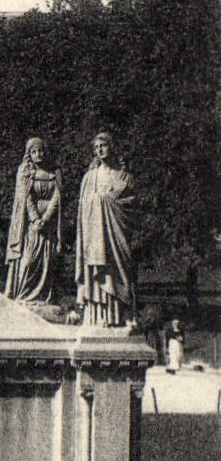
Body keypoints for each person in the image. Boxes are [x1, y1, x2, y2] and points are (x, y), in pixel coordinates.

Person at [75, 131, 137, 327]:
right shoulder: (89, 178)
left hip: (116, 236)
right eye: (96, 147)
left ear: (112, 147)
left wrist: (106, 200)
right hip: (96, 237)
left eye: (103, 145)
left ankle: (121, 316)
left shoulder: (124, 177)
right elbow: (82, 209)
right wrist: (99, 200)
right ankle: (98, 316)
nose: (99, 150)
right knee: (99, 273)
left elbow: (131, 204)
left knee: (120, 273)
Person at [4, 137, 62, 304]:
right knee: (28, 261)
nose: (39, 154)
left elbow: (58, 197)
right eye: (34, 151)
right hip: (30, 226)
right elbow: (25, 197)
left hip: (48, 226)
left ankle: (44, 298)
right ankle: (22, 296)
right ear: (29, 154)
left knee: (48, 263)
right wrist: (36, 219)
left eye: (41, 151)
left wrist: (47, 217)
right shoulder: (25, 172)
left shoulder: (55, 173)